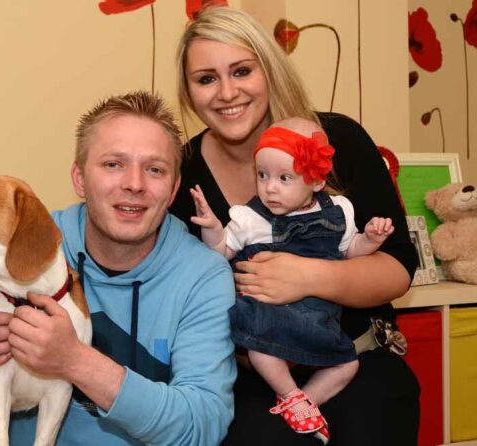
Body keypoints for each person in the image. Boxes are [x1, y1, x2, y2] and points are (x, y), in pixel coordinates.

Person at [0, 91, 237, 445]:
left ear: (172, 190)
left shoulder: (203, 275)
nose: (134, 184)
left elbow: (202, 426)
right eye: (113, 164)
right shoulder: (31, 240)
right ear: (79, 179)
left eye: (154, 169)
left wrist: (76, 361)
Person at [169, 6, 420, 445]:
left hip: (355, 364)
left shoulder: (337, 139)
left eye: (242, 71)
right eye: (206, 78)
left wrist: (305, 276)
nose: (227, 92)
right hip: (248, 379)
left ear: (268, 70)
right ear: (189, 92)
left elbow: (398, 268)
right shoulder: (180, 175)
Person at [190, 117, 395, 444]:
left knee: (348, 366)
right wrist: (212, 226)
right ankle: (288, 393)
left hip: (320, 324)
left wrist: (370, 240)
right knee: (261, 352)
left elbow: (351, 253)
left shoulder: (339, 211)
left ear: (315, 181)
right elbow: (219, 251)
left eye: (284, 177)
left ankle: (305, 401)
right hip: (272, 320)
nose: (270, 187)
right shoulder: (252, 217)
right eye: (262, 175)